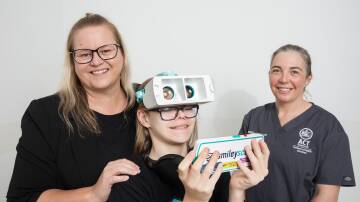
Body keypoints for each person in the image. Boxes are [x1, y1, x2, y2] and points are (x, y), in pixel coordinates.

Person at [7, 13, 141, 202]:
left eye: (106, 50)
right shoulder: (45, 115)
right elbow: (22, 198)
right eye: (85, 54)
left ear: (122, 53)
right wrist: (93, 194)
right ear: (73, 63)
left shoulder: (149, 102)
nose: (96, 61)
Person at [109, 74, 270, 202]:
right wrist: (195, 199)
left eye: (187, 107)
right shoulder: (129, 179)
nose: (182, 116)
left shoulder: (213, 166)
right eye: (167, 109)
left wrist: (237, 190)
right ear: (144, 118)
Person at [239, 44, 356, 201]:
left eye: (294, 72)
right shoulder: (254, 118)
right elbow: (239, 176)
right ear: (269, 75)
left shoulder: (328, 127)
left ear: (308, 79)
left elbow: (326, 196)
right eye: (276, 70)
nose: (283, 79)